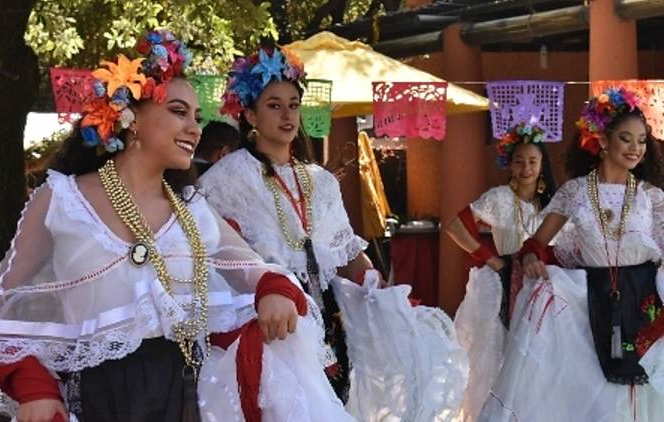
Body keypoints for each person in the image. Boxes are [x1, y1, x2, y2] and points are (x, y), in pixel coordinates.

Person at [0, 29, 352, 422]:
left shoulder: (192, 208)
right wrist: (35, 385)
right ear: (131, 117)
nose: (194, 127)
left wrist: (273, 291)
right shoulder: (62, 200)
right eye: (178, 112)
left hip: (189, 395)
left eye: (196, 115)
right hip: (99, 400)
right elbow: (3, 303)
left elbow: (252, 270)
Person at [200, 44, 468, 422]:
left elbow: (345, 253)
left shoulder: (320, 181)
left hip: (327, 319)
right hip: (272, 322)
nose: (287, 114)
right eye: (274, 105)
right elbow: (215, 256)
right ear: (249, 114)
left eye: (293, 104)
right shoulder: (225, 179)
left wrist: (377, 286)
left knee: (334, 403)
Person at [481, 87, 664, 421]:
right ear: (603, 140)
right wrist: (531, 258)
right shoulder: (575, 192)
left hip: (643, 296)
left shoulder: (650, 197)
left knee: (645, 390)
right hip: (591, 296)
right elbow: (534, 244)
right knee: (596, 393)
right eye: (626, 138)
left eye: (641, 140)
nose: (635, 148)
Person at [444, 121, 556, 422]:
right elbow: (454, 226)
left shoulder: (553, 204)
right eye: (519, 161)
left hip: (543, 286)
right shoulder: (499, 198)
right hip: (506, 281)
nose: (526, 168)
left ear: (543, 163)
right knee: (501, 354)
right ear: (510, 164)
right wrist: (490, 259)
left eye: (533, 161)